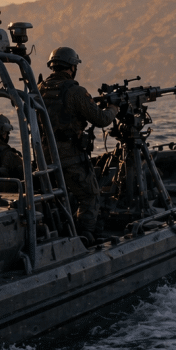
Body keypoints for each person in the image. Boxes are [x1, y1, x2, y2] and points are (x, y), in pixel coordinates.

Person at [38, 46, 119, 242]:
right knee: (90, 196)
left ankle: (62, 232)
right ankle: (84, 237)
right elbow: (101, 119)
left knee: (57, 196)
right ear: (72, 67)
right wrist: (113, 108)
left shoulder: (38, 89)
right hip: (70, 156)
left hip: (44, 156)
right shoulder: (75, 92)